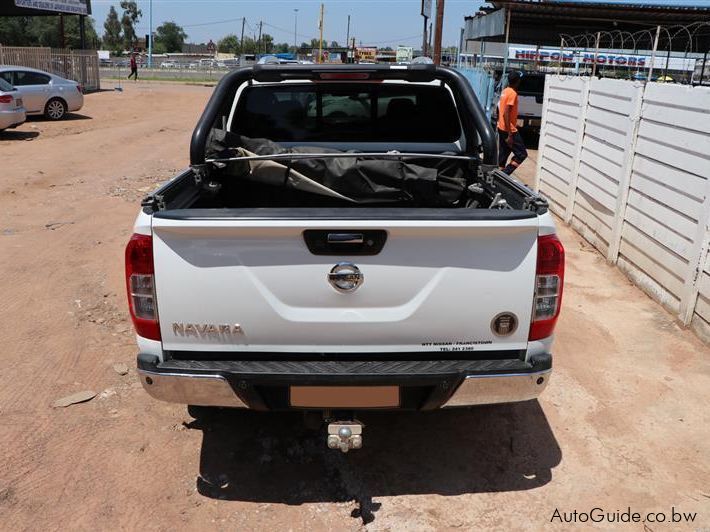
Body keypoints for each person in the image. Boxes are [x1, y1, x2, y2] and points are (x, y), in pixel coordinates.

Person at [497, 70, 528, 175]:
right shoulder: (513, 94)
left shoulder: (505, 91)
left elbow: (499, 109)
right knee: (521, 154)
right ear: (517, 81)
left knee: (503, 154)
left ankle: (498, 175)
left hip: (501, 127)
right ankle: (505, 174)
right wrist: (510, 134)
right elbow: (506, 113)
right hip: (508, 129)